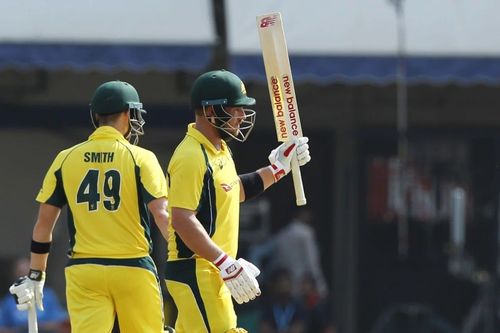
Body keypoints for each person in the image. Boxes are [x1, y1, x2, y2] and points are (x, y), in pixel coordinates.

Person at [9, 81, 170, 333]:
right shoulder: (141, 157)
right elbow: (162, 215)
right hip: (132, 267)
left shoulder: (65, 157)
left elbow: (43, 225)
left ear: (96, 115)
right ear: (129, 114)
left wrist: (36, 274)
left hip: (85, 271)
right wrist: (188, 256)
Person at [164, 69, 311, 333]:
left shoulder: (220, 150)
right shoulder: (190, 157)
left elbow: (234, 191)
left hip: (210, 270)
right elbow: (182, 219)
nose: (241, 116)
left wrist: (278, 169)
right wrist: (224, 262)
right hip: (196, 269)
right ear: (211, 112)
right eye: (235, 109)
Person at [250, 207, 328, 297]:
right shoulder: (306, 233)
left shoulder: (282, 233)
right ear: (302, 213)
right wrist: (321, 286)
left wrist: (260, 279)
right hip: (301, 284)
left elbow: (256, 252)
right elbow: (312, 262)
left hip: (282, 284)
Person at [0, 257, 68, 333]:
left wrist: (37, 326)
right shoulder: (8, 301)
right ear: (14, 274)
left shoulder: (48, 295)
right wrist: (20, 330)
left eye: (27, 272)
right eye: (20, 272)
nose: (23, 276)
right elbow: (2, 328)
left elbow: (62, 324)